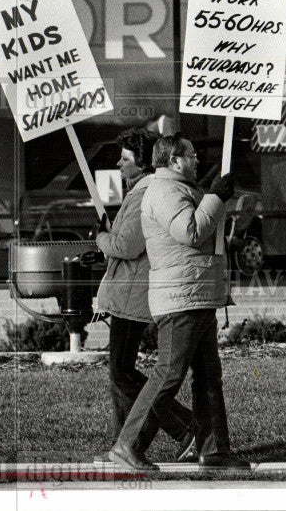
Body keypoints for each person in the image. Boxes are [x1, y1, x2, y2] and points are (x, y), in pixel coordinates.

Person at [108, 135, 250, 471]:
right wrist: (215, 196)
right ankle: (128, 445)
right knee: (169, 373)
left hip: (197, 294)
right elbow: (190, 231)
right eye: (192, 154)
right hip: (181, 297)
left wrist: (212, 197)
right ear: (174, 159)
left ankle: (214, 452)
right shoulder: (164, 191)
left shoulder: (181, 188)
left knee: (207, 375)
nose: (198, 159)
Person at [90, 127, 197, 462]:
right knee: (119, 374)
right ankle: (124, 445)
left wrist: (101, 238)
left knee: (122, 372)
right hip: (129, 288)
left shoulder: (143, 192)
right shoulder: (142, 189)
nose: (120, 165)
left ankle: (185, 427)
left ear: (143, 160)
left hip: (133, 292)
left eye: (125, 159)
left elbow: (127, 244)